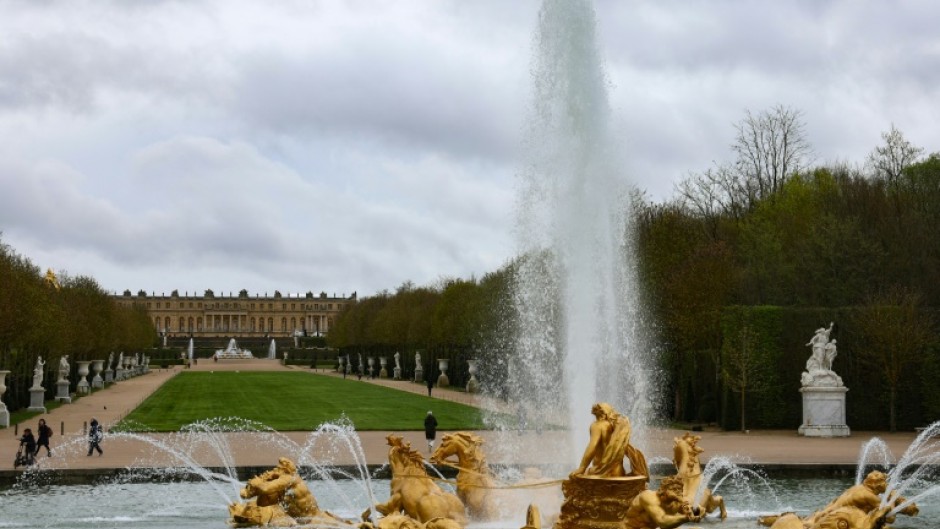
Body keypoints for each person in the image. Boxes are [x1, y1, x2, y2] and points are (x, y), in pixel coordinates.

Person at [572, 402, 648, 479]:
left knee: (575, 479)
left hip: (602, 472)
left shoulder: (598, 425)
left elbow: (592, 446)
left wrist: (582, 468)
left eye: (596, 411)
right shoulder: (614, 427)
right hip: (618, 471)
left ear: (601, 413)